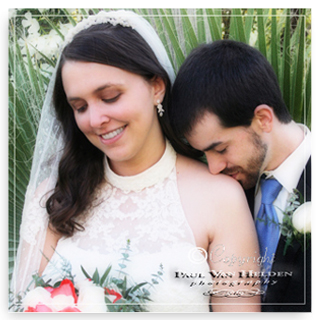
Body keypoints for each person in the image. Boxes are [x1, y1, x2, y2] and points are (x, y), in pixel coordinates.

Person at [11, 12, 261, 312]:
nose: (95, 120)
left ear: (156, 86)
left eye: (110, 96)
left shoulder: (221, 198)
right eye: (80, 107)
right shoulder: (53, 197)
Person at [169, 39, 311, 312]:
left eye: (220, 148)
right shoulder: (222, 198)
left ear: (263, 119)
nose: (213, 168)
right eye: (204, 154)